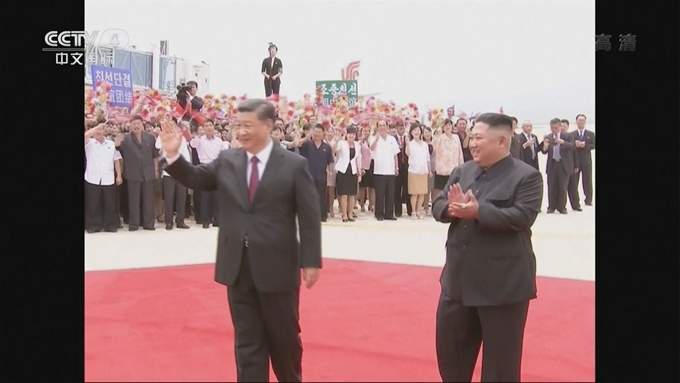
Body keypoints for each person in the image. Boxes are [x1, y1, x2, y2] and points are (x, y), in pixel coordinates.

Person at [158, 99, 321, 382]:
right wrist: (173, 157)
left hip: (278, 267)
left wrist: (310, 261)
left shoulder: (294, 165)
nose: (241, 132)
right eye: (238, 125)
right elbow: (197, 179)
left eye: (248, 125)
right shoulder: (228, 160)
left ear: (268, 126)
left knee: (284, 340)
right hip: (237, 266)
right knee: (247, 342)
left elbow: (309, 216)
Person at [432, 113, 543, 383]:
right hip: (458, 284)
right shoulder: (463, 171)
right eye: (472, 136)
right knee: (451, 362)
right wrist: (451, 208)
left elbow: (521, 217)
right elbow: (438, 205)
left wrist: (479, 211)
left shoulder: (527, 177)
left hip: (502, 287)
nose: (472, 143)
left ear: (502, 141)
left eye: (479, 137)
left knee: (500, 370)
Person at [116, 115, 160, 231]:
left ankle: (148, 224)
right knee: (133, 200)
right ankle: (134, 224)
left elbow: (155, 156)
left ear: (142, 125)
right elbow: (117, 150)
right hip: (132, 173)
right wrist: (117, 143)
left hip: (148, 172)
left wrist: (156, 170)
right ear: (130, 126)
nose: (136, 126)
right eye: (134, 124)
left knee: (148, 200)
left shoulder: (150, 138)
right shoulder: (125, 139)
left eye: (138, 124)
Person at [540, 118, 575, 214]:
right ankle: (551, 206)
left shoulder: (567, 135)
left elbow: (572, 146)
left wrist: (563, 142)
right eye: (552, 127)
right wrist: (545, 147)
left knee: (563, 187)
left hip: (563, 164)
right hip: (552, 164)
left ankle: (562, 207)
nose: (553, 129)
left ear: (560, 127)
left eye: (555, 127)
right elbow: (543, 152)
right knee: (551, 186)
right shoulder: (548, 136)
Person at [334, 125, 363, 222]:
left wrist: (359, 173)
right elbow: (334, 151)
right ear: (346, 134)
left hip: (353, 171)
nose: (352, 136)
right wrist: (337, 140)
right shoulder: (342, 143)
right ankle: (344, 214)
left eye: (353, 134)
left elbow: (358, 159)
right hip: (343, 170)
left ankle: (350, 214)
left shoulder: (357, 145)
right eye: (350, 133)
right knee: (344, 194)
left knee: (352, 194)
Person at [573, 114, 595, 205]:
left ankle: (588, 200)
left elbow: (593, 145)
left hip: (586, 161)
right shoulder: (572, 134)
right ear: (576, 121)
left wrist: (585, 145)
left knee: (587, 181)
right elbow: (569, 145)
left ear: (585, 122)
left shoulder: (590, 134)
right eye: (579, 120)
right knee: (574, 182)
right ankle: (575, 201)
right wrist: (576, 145)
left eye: (582, 120)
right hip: (576, 161)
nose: (581, 122)